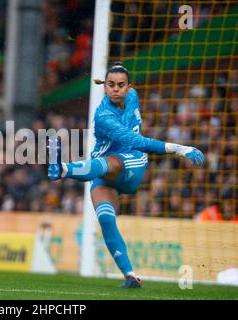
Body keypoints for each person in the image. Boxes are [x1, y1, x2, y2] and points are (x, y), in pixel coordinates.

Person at [47, 62, 205, 288]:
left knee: (112, 163)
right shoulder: (104, 116)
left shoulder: (133, 97)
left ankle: (64, 169)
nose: (115, 89)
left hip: (133, 164)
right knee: (105, 219)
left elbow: (137, 143)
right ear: (105, 87)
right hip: (102, 172)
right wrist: (179, 148)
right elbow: (135, 139)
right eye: (110, 85)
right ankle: (130, 275)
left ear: (128, 87)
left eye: (120, 85)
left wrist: (180, 148)